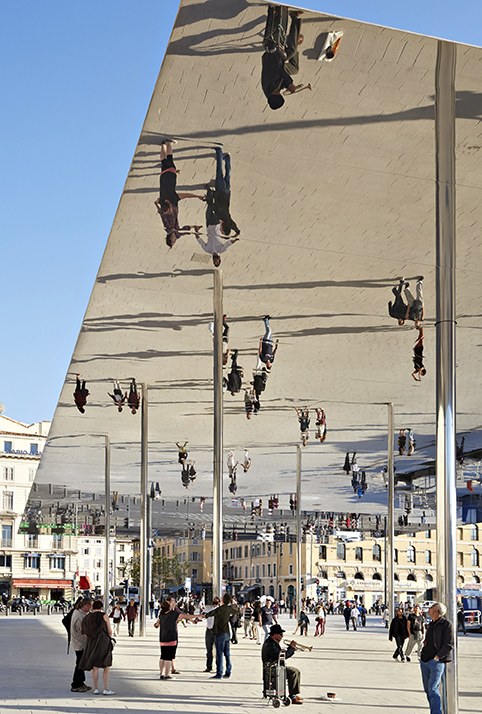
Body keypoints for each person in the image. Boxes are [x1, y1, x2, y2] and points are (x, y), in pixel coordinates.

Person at [154, 141, 203, 247]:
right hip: (165, 180)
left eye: (173, 241)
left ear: (169, 239)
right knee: (164, 162)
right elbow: (184, 230)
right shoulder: (176, 232)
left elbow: (162, 214)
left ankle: (168, 143)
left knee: (169, 162)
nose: (175, 240)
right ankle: (163, 145)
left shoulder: (168, 227)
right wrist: (194, 229)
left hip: (167, 179)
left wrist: (157, 205)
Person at [261, 8, 305, 111]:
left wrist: (289, 83)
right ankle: (293, 41)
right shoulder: (272, 91)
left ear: (274, 95)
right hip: (277, 66)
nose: (279, 93)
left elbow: (280, 72)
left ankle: (294, 18)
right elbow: (281, 81)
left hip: (273, 59)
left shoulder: (269, 84)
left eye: (278, 93)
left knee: (292, 51)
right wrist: (289, 86)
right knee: (295, 69)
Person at [420, 603, 454, 714]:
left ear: (436, 610)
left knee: (433, 689)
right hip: (425, 660)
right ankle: (434, 711)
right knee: (428, 690)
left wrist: (437, 657)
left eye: (431, 608)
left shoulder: (446, 624)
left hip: (436, 662)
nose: (428, 609)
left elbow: (449, 644)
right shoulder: (431, 624)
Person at [154, 596, 199, 680]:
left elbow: (157, 623)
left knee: (163, 656)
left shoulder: (162, 613)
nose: (174, 602)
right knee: (169, 657)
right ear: (169, 606)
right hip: (171, 637)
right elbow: (185, 616)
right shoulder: (174, 613)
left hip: (163, 638)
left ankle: (162, 674)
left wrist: (157, 624)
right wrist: (199, 615)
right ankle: (167, 675)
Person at [79, 600, 115, 695]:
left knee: (95, 667)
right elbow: (109, 631)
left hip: (91, 643)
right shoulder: (104, 616)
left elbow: (85, 633)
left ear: (92, 607)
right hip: (103, 643)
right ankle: (106, 689)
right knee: (106, 666)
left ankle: (96, 688)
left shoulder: (87, 618)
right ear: (101, 608)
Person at [262, 624, 303, 704]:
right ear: (275, 635)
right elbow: (282, 656)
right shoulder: (270, 644)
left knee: (297, 671)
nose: (282, 636)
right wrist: (290, 648)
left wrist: (290, 649)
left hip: (277, 666)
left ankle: (294, 694)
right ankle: (292, 697)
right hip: (271, 669)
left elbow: (282, 655)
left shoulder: (273, 642)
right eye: (280, 634)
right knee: (293, 672)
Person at [209, 593, 239, 679]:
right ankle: (228, 672)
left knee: (219, 653)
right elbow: (236, 611)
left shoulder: (220, 609)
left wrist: (202, 615)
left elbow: (210, 613)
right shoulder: (229, 609)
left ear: (222, 600)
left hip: (219, 632)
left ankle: (219, 673)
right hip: (227, 632)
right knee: (227, 653)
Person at [70, 598, 93, 692]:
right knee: (80, 664)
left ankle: (81, 682)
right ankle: (75, 684)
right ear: (86, 605)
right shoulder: (79, 616)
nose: (92, 608)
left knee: (81, 663)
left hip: (80, 643)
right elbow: (85, 631)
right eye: (91, 606)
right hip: (79, 644)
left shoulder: (80, 613)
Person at [204, 597, 220, 672]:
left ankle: (218, 667)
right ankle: (209, 666)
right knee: (209, 650)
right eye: (214, 602)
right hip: (209, 631)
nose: (215, 603)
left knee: (218, 650)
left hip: (217, 632)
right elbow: (202, 615)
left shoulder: (220, 611)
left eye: (216, 602)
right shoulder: (208, 610)